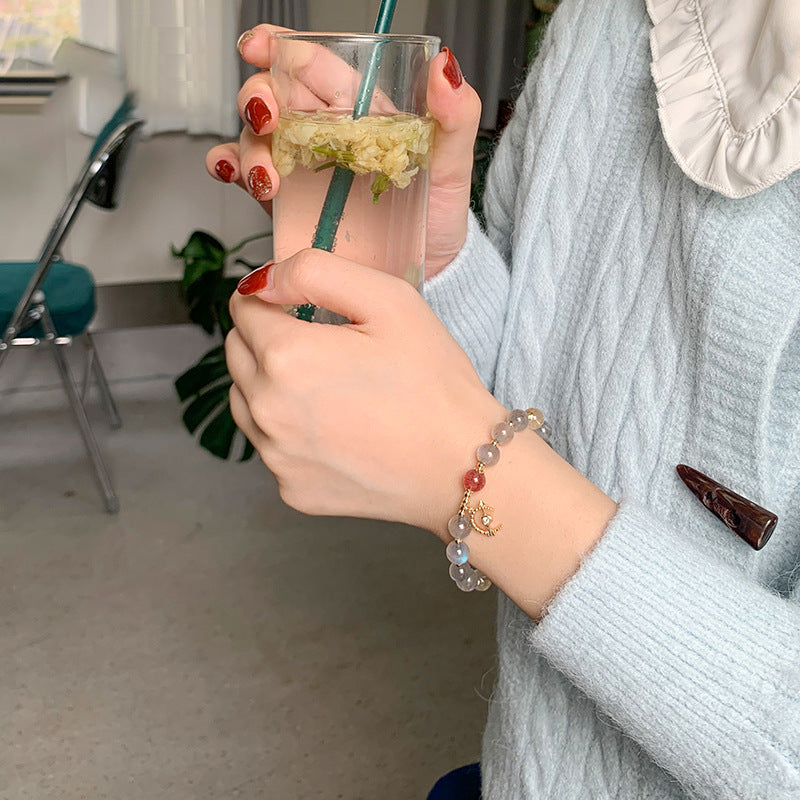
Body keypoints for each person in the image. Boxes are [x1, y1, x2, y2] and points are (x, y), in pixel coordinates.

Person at [206, 0, 800, 797]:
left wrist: (470, 478)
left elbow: (492, 455)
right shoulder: (604, 19)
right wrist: (433, 257)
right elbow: (539, 405)